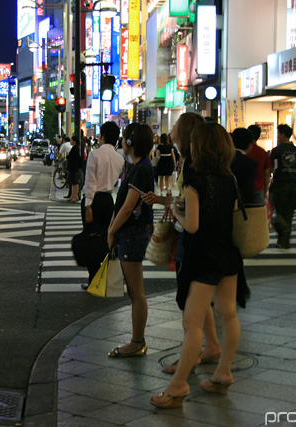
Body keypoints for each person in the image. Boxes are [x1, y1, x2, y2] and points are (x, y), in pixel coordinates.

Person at [150, 122, 240, 409]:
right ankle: (223, 372)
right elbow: (234, 215)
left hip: (203, 257)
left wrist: (176, 210)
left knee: (192, 324)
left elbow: (192, 225)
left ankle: (177, 387)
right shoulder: (230, 179)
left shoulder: (194, 180)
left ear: (200, 146)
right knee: (229, 314)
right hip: (228, 254)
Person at [107, 123, 155, 358]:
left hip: (133, 233)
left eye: (125, 138)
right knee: (135, 291)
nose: (122, 142)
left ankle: (137, 342)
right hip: (130, 232)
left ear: (132, 143)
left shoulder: (141, 169)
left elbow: (128, 207)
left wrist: (111, 231)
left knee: (137, 292)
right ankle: (137, 340)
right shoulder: (137, 166)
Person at [80, 122, 125, 290]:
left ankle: (94, 279)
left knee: (91, 239)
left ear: (103, 136)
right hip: (108, 200)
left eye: (99, 135)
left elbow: (90, 181)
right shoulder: (119, 158)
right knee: (107, 239)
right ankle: (104, 277)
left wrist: (88, 206)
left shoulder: (94, 155)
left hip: (94, 201)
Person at [270, 124, 296, 249]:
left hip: (280, 185)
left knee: (278, 213)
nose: (277, 136)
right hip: (294, 186)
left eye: (278, 134)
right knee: (289, 215)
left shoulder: (276, 151)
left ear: (283, 135)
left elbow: (270, 169)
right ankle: (283, 242)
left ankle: (283, 232)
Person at [230, 129, 258, 203]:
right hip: (242, 203)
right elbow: (248, 190)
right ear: (249, 144)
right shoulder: (250, 163)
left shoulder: (225, 158)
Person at [246, 124, 272, 205]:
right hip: (259, 188)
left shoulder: (244, 151)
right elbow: (267, 174)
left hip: (245, 187)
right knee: (258, 214)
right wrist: (265, 190)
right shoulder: (263, 152)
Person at [66, 137, 82, 202]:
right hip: (73, 166)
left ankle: (75, 196)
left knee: (74, 182)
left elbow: (71, 156)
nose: (70, 141)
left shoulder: (76, 148)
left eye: (71, 140)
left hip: (74, 166)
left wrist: (68, 157)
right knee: (73, 182)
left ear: (74, 141)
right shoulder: (75, 148)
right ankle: (73, 195)